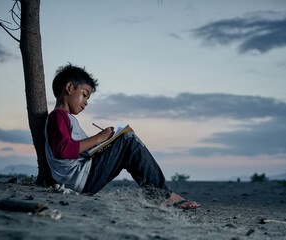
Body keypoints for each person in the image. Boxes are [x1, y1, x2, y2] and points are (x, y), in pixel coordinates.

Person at [44, 64, 200, 210]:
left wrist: (109, 141)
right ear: (70, 88)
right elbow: (62, 150)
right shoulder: (58, 116)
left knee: (126, 140)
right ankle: (163, 196)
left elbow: (78, 150)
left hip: (81, 178)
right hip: (80, 178)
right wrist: (99, 138)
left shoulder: (66, 118)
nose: (86, 103)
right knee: (129, 141)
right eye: (84, 95)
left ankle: (159, 194)